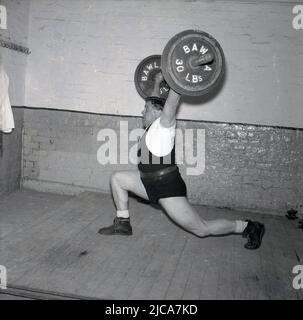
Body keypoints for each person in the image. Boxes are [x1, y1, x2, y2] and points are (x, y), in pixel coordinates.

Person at [98, 72, 265, 250]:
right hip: (148, 182)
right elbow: (156, 101)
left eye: (145, 108)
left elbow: (171, 103)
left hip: (166, 188)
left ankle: (248, 226)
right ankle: (123, 223)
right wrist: (156, 81)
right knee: (117, 178)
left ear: (156, 111)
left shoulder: (164, 126)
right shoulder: (152, 127)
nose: (142, 111)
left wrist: (179, 76)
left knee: (201, 229)